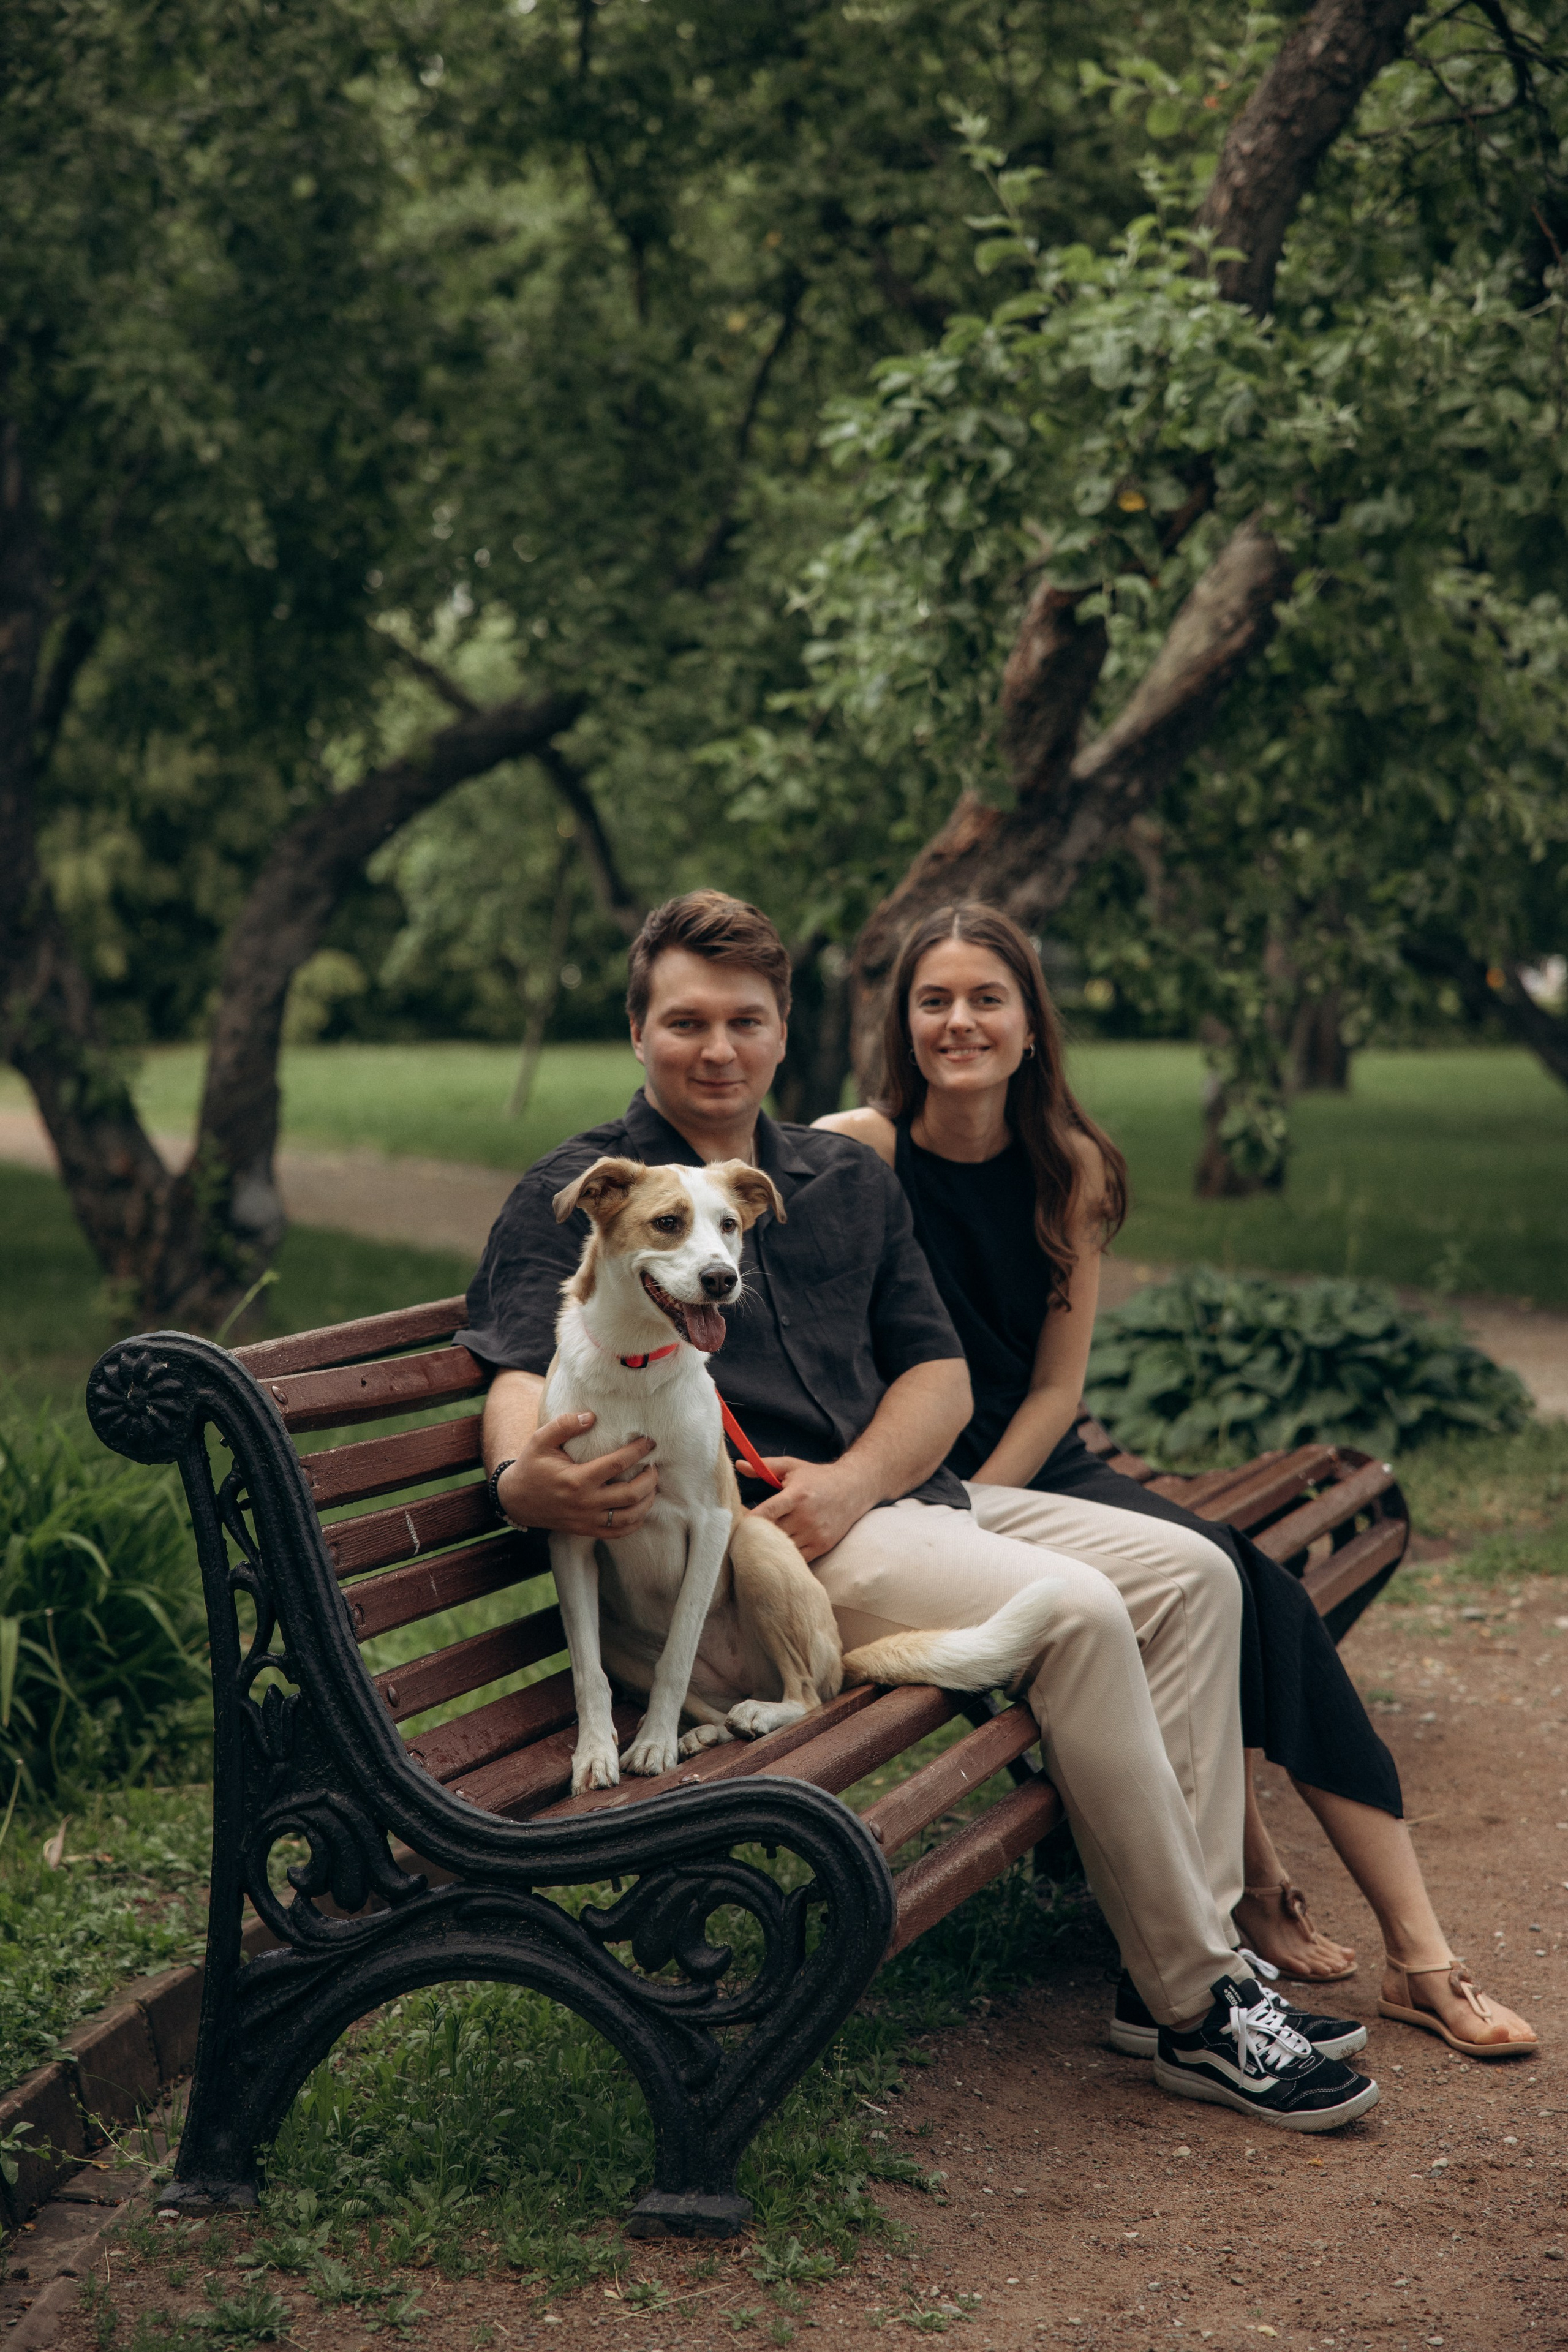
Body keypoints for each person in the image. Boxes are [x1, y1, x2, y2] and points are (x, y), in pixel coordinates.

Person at [462, 889, 1381, 2129]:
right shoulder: (587, 1188)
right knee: (1075, 1609)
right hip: (752, 1552)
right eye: (684, 1022)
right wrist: (525, 1478)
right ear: (638, 1033)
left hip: (887, 1501)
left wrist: (854, 1481)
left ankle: (1171, 1966)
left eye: (745, 1020)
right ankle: (1202, 2001)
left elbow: (936, 1374)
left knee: (1195, 1578)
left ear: (784, 1031)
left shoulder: (836, 1178)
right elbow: (520, 1365)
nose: (717, 1049)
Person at [816, 899, 1536, 2061]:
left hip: (1031, 1469)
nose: (960, 1022)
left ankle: (1410, 1950)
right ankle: (1242, 1927)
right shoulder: (859, 1151)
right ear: (901, 1026)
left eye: (987, 998)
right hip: (911, 1485)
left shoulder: (1075, 1166)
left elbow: (1055, 1389)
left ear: (1032, 1024)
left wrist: (990, 1503)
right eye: (933, 1000)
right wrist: (947, 1505)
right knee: (1218, 1590)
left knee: (1261, 1595)